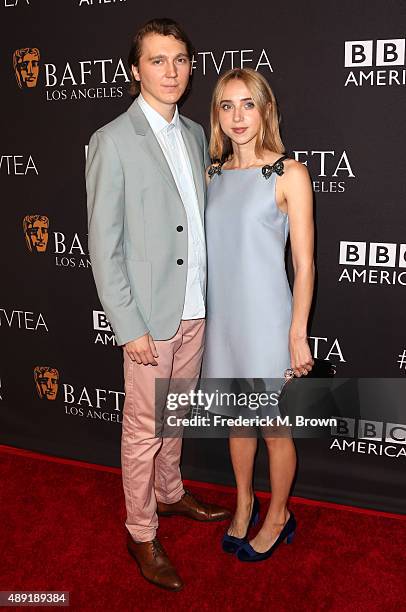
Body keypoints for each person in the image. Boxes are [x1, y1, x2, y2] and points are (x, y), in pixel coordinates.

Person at [85, 18, 230, 592]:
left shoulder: (196, 133)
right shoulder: (112, 140)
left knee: (175, 416)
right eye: (157, 60)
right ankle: (141, 530)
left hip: (194, 308)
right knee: (144, 428)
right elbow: (104, 244)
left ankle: (169, 495)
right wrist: (129, 326)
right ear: (133, 71)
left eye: (180, 60)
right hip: (148, 319)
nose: (171, 71)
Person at [201, 67, 315, 562]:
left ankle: (279, 514)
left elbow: (305, 264)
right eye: (227, 106)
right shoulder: (212, 174)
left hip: (269, 319)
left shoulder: (290, 174)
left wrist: (297, 333)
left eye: (248, 104)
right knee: (237, 422)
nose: (237, 116)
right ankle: (245, 503)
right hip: (223, 321)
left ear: (266, 109)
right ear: (217, 116)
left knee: (273, 427)